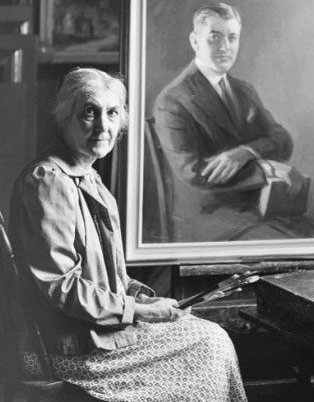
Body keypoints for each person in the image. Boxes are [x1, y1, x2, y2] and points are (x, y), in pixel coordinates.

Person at [8, 67, 247, 402]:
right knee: (209, 344)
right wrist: (141, 311)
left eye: (112, 113)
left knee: (210, 337)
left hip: (95, 331)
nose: (103, 126)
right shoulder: (48, 180)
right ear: (65, 117)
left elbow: (111, 278)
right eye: (89, 112)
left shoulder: (88, 178)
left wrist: (147, 299)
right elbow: (60, 286)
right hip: (66, 346)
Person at [153, 1, 307, 242]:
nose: (225, 47)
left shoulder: (243, 90)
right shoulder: (174, 99)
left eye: (232, 38)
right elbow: (195, 174)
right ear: (195, 41)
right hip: (206, 219)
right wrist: (266, 168)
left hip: (258, 208)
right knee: (292, 242)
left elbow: (282, 140)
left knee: (312, 235)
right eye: (214, 37)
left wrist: (245, 152)